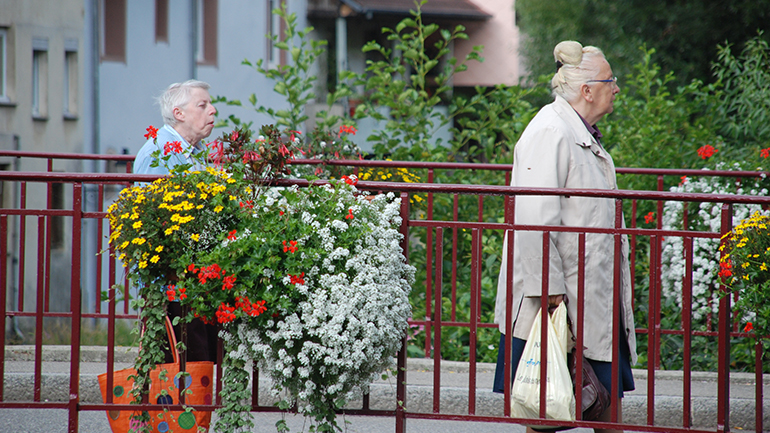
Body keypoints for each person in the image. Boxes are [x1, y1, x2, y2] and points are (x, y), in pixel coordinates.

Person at [492, 41, 637, 433]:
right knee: (547, 411)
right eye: (611, 80)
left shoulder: (576, 130)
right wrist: (549, 291)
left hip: (588, 299)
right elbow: (534, 217)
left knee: (592, 405)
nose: (617, 88)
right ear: (587, 90)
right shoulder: (550, 130)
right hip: (560, 300)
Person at [134, 79, 219, 363]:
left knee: (198, 361)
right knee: (177, 363)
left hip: (193, 278)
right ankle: (173, 408)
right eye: (203, 105)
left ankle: (191, 408)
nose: (213, 110)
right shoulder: (159, 153)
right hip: (171, 282)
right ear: (179, 113)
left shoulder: (191, 154)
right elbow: (149, 224)